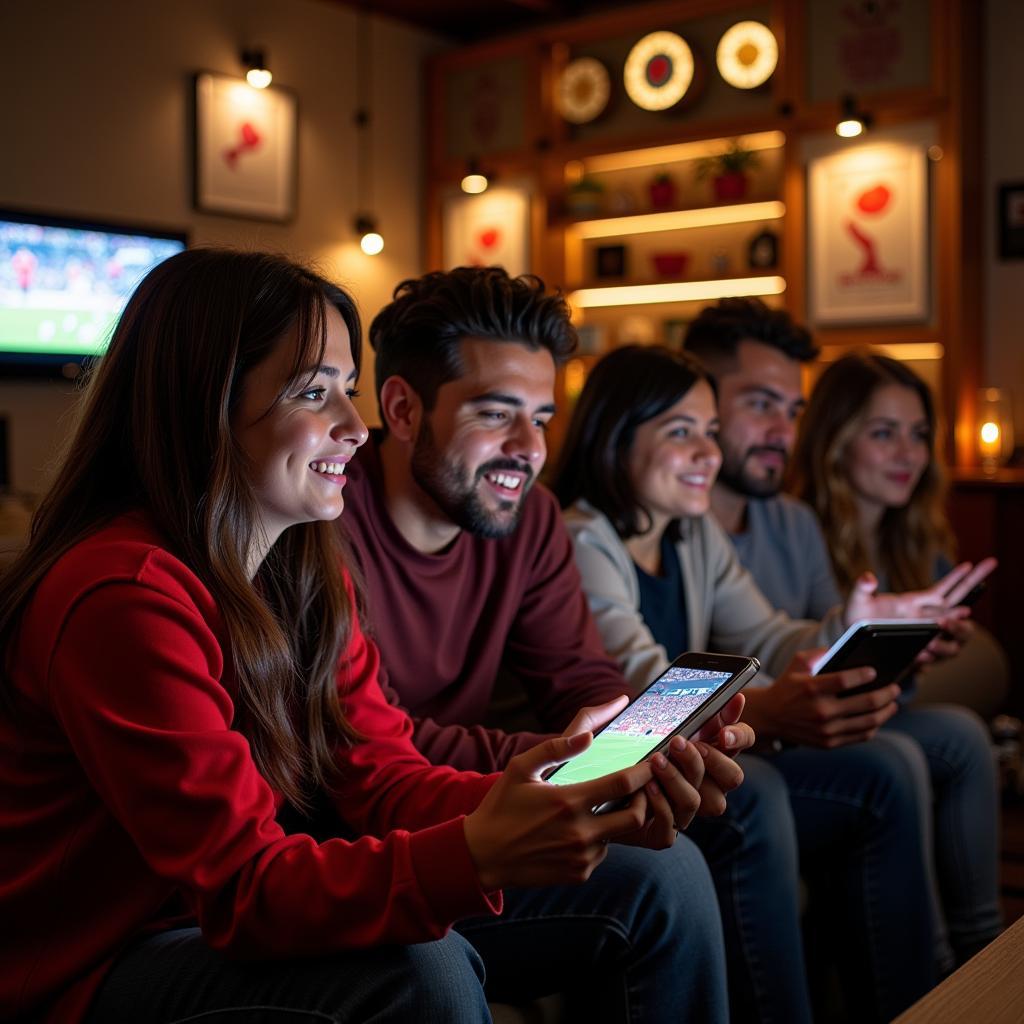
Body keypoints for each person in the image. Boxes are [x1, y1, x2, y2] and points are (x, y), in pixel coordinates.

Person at [0, 250, 729, 1024]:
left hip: (226, 916)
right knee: (419, 971)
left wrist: (561, 791)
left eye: (348, 391)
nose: (355, 426)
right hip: (100, 966)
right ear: (203, 405)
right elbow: (244, 891)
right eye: (316, 393)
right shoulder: (124, 596)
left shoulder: (306, 570)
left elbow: (383, 777)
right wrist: (480, 849)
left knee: (660, 875)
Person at [340, 265, 754, 1017]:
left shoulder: (529, 519)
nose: (529, 447)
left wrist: (628, 732)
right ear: (402, 409)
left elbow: (577, 674)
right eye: (497, 414)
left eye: (542, 416)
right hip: (359, 847)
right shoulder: (324, 523)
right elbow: (369, 747)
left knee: (675, 866)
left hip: (474, 816)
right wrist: (564, 763)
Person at [548, 342, 989, 1023]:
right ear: (614, 435)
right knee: (767, 791)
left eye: (710, 433)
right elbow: (642, 697)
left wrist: (854, 625)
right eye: (680, 432)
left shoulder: (693, 536)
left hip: (683, 758)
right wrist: (773, 708)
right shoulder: (582, 537)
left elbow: (769, 636)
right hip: (612, 774)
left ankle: (920, 1004)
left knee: (887, 766)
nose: (708, 454)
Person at [785, 348, 1004, 964]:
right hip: (820, 730)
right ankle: (954, 965)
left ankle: (982, 953)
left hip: (880, 717)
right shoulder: (801, 533)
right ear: (835, 440)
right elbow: (808, 665)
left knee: (962, 734)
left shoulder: (915, 537)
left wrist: (929, 651)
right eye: (884, 434)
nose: (908, 453)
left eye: (918, 435)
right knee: (953, 737)